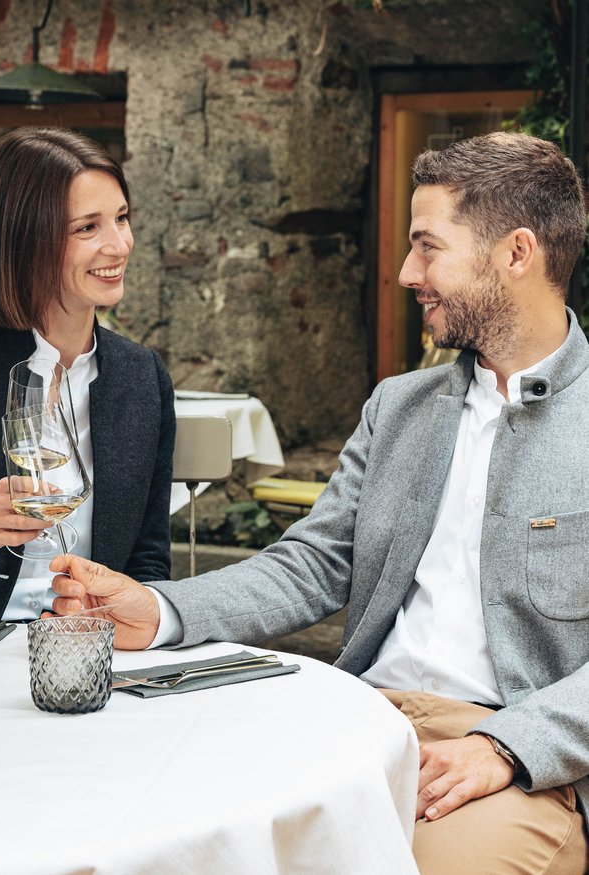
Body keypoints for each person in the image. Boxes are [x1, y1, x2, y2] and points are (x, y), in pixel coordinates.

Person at [50, 131, 589, 874]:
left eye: (427, 247)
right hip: (352, 715)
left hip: (518, 751)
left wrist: (508, 745)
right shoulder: (399, 406)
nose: (406, 272)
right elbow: (312, 563)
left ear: (516, 254)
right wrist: (162, 609)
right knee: (167, 829)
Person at [0, 126, 176, 622]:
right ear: (25, 240)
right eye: (87, 228)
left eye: (122, 218)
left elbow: (148, 564)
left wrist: (114, 623)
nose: (118, 245)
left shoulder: (142, 376)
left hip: (87, 656)